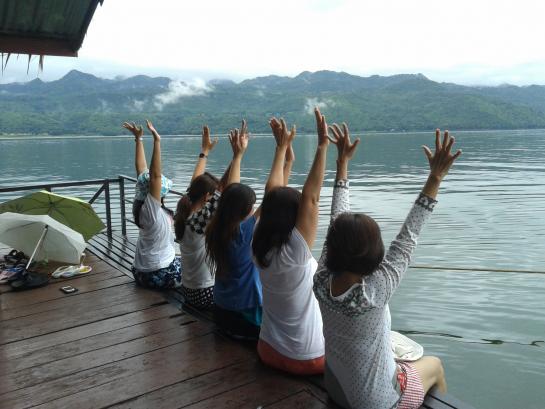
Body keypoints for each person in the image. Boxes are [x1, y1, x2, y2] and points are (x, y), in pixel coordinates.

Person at [313, 127, 461, 409]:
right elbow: (408, 237)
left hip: (335, 387)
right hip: (376, 403)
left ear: (331, 247)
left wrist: (342, 164)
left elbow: (336, 221)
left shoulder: (320, 280)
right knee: (434, 365)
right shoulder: (374, 291)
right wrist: (435, 177)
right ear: (375, 253)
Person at [252, 108, 329, 375]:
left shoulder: (257, 241)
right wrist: (322, 146)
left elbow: (271, 194)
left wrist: (281, 148)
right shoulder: (296, 251)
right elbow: (311, 198)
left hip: (268, 350)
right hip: (307, 359)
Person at [205, 122, 262, 340]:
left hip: (221, 310)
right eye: (252, 206)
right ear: (245, 210)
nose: (254, 210)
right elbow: (273, 191)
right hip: (244, 317)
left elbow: (230, 193)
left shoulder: (216, 226)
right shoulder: (244, 233)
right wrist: (282, 150)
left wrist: (238, 156)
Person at [173, 125, 231, 309]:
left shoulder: (184, 211)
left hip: (188, 290)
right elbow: (222, 188)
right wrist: (237, 156)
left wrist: (204, 153)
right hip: (204, 294)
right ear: (207, 197)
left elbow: (195, 184)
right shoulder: (199, 220)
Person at [122, 120, 179, 289]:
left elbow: (142, 171)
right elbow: (154, 176)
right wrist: (157, 141)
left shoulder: (142, 205)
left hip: (141, 270)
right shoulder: (151, 209)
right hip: (156, 273)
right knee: (197, 269)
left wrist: (138, 139)